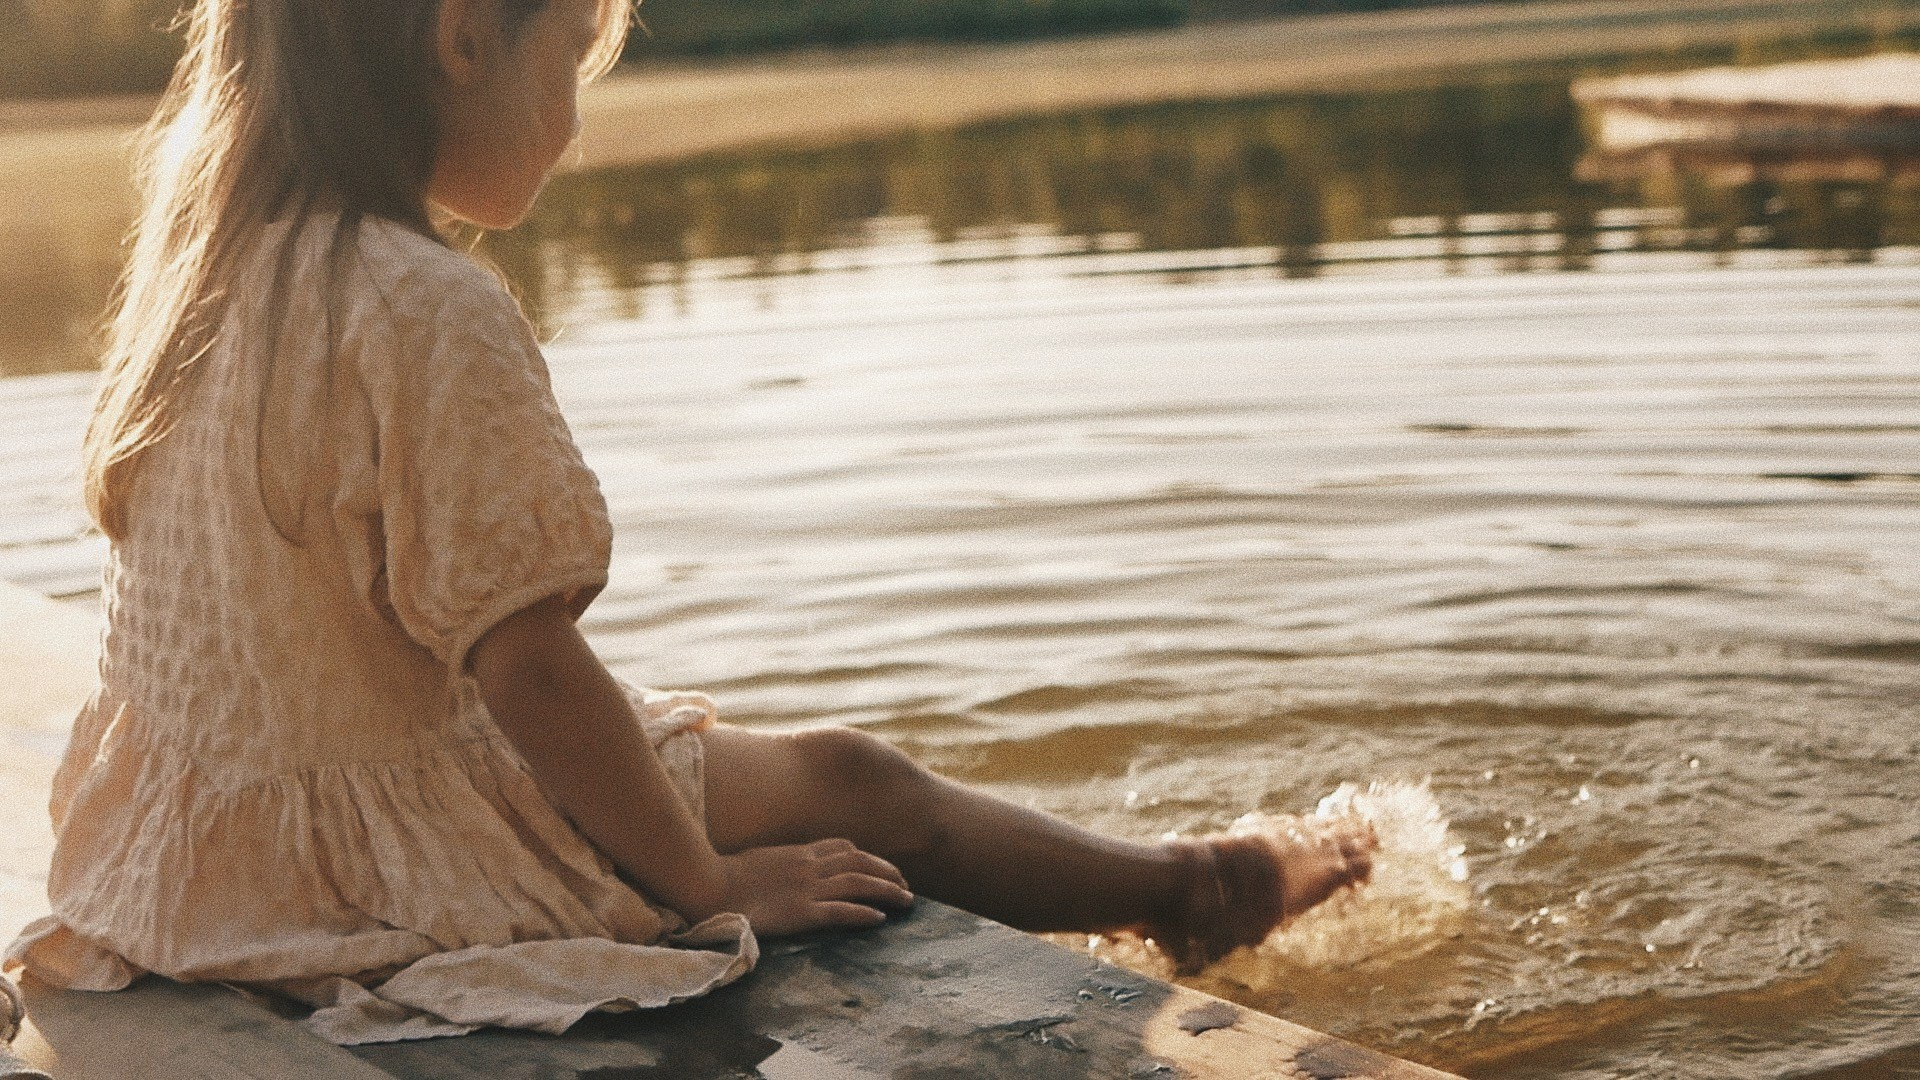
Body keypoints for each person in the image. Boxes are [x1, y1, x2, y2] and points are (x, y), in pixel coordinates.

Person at [1, 0, 1376, 1045]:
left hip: (186, 852)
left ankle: (1191, 881)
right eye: (572, 61)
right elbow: (527, 668)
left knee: (837, 771)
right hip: (363, 862)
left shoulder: (211, 270)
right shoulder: (422, 305)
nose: (577, 120)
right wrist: (705, 881)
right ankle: (1196, 888)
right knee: (862, 790)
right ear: (467, 37)